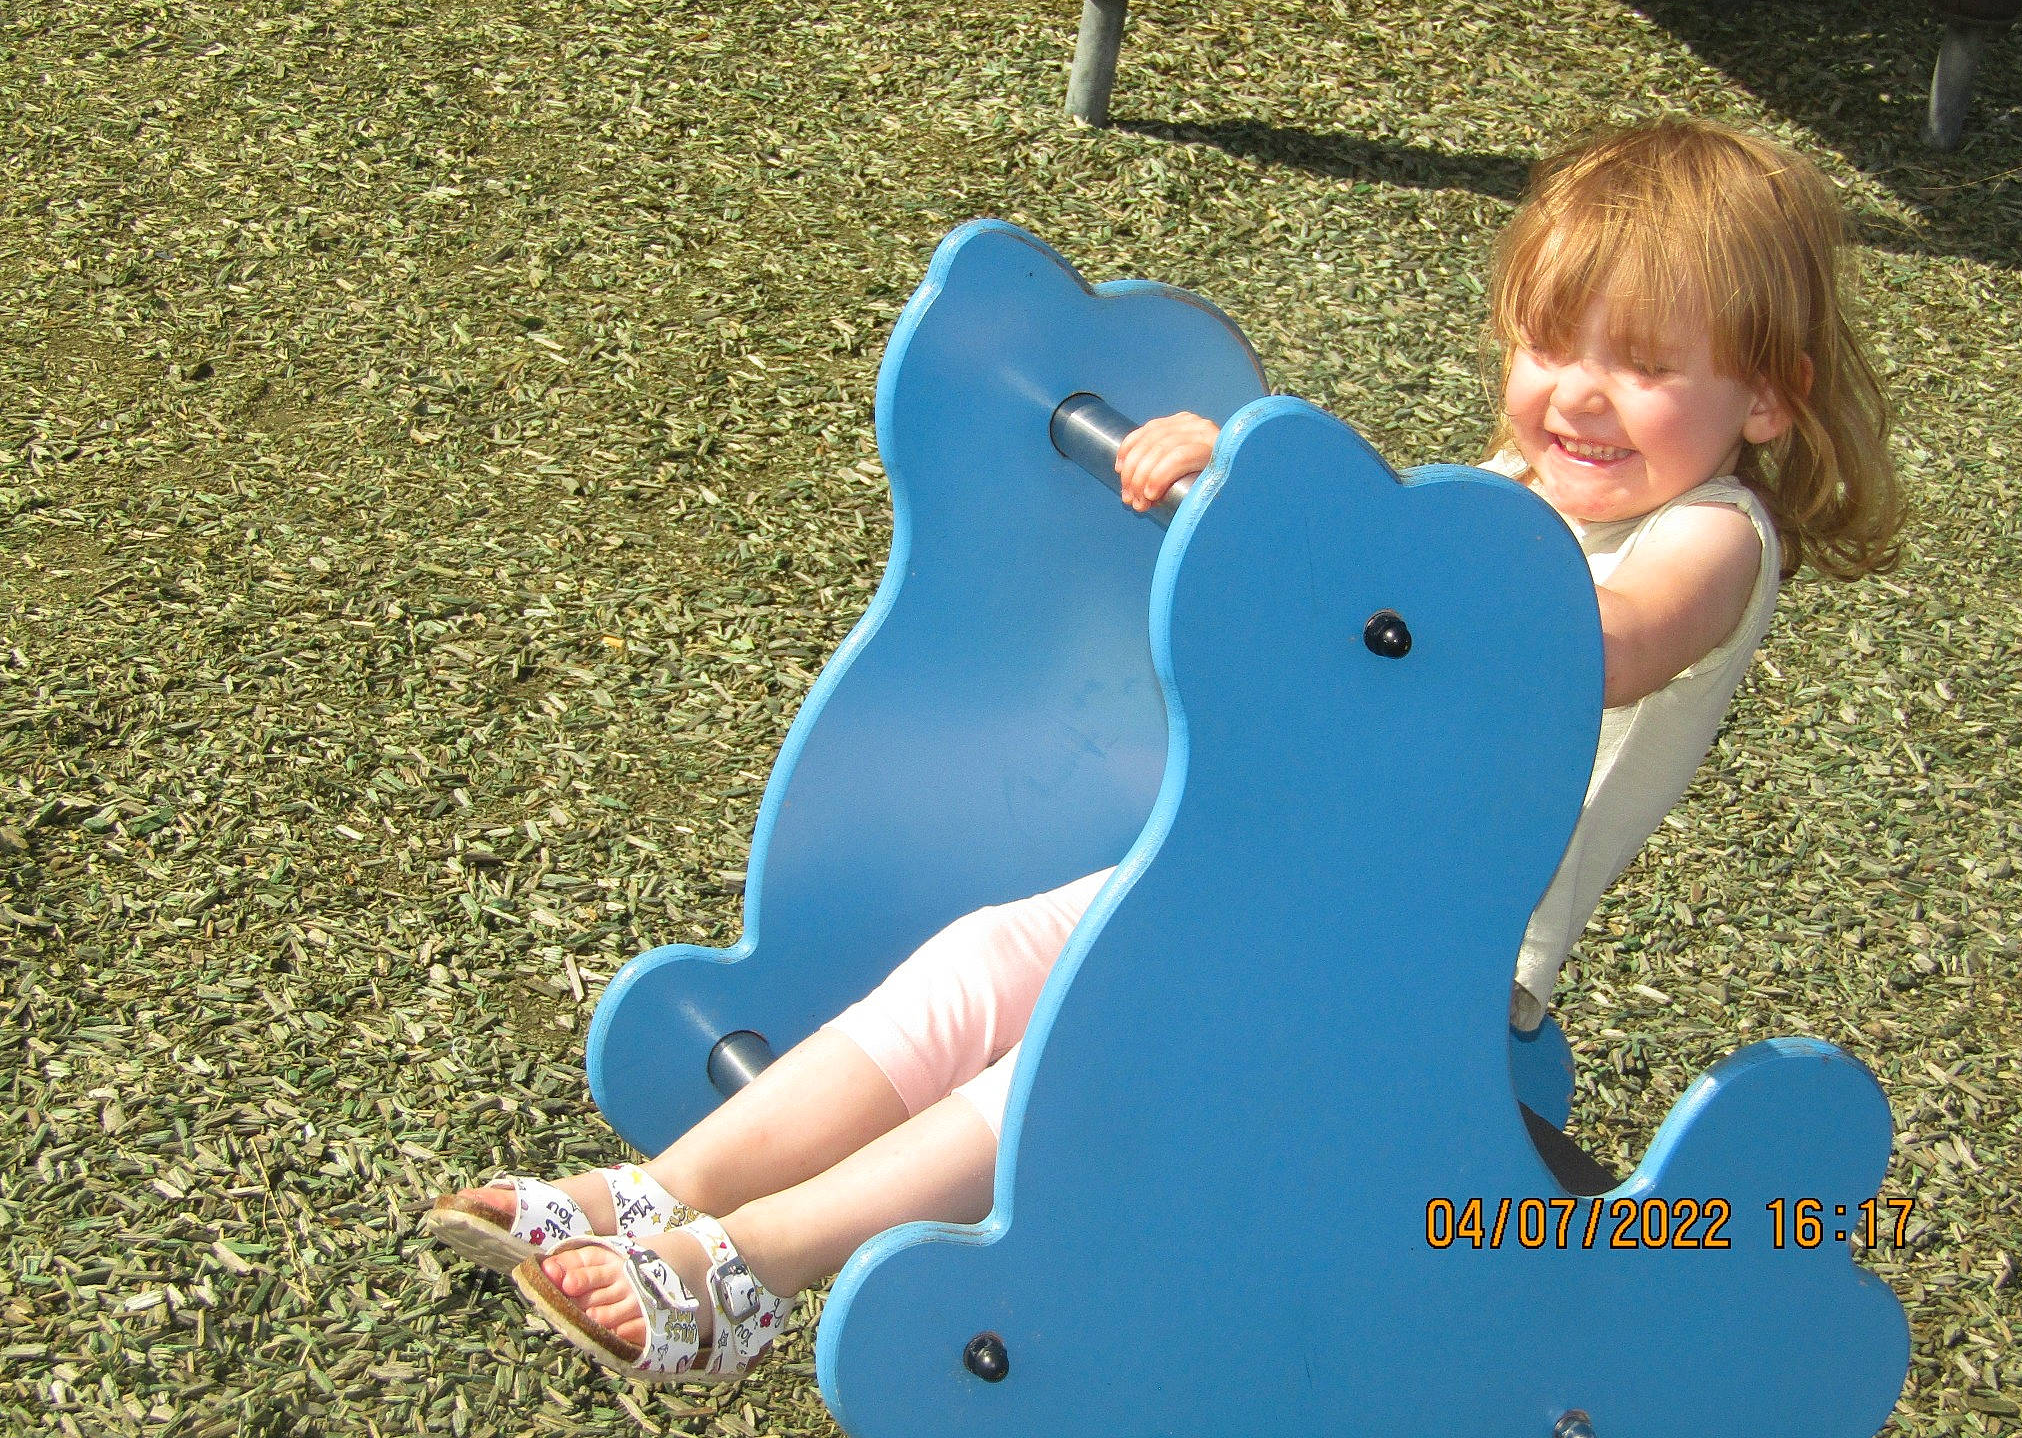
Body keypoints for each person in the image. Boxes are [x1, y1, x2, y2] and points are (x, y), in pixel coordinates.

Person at [422, 116, 1903, 1385]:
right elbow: (1351, 561)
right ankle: (652, 1190)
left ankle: (748, 1270)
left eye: (1640, 366)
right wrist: (1242, 463)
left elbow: (1609, 637)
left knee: (1078, 1061)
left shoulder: (1712, 538)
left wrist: (1318, 533)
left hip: (1421, 969)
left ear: (1764, 396)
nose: (1575, 393)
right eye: (1548, 342)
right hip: (1259, 872)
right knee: (979, 963)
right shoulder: (1513, 483)